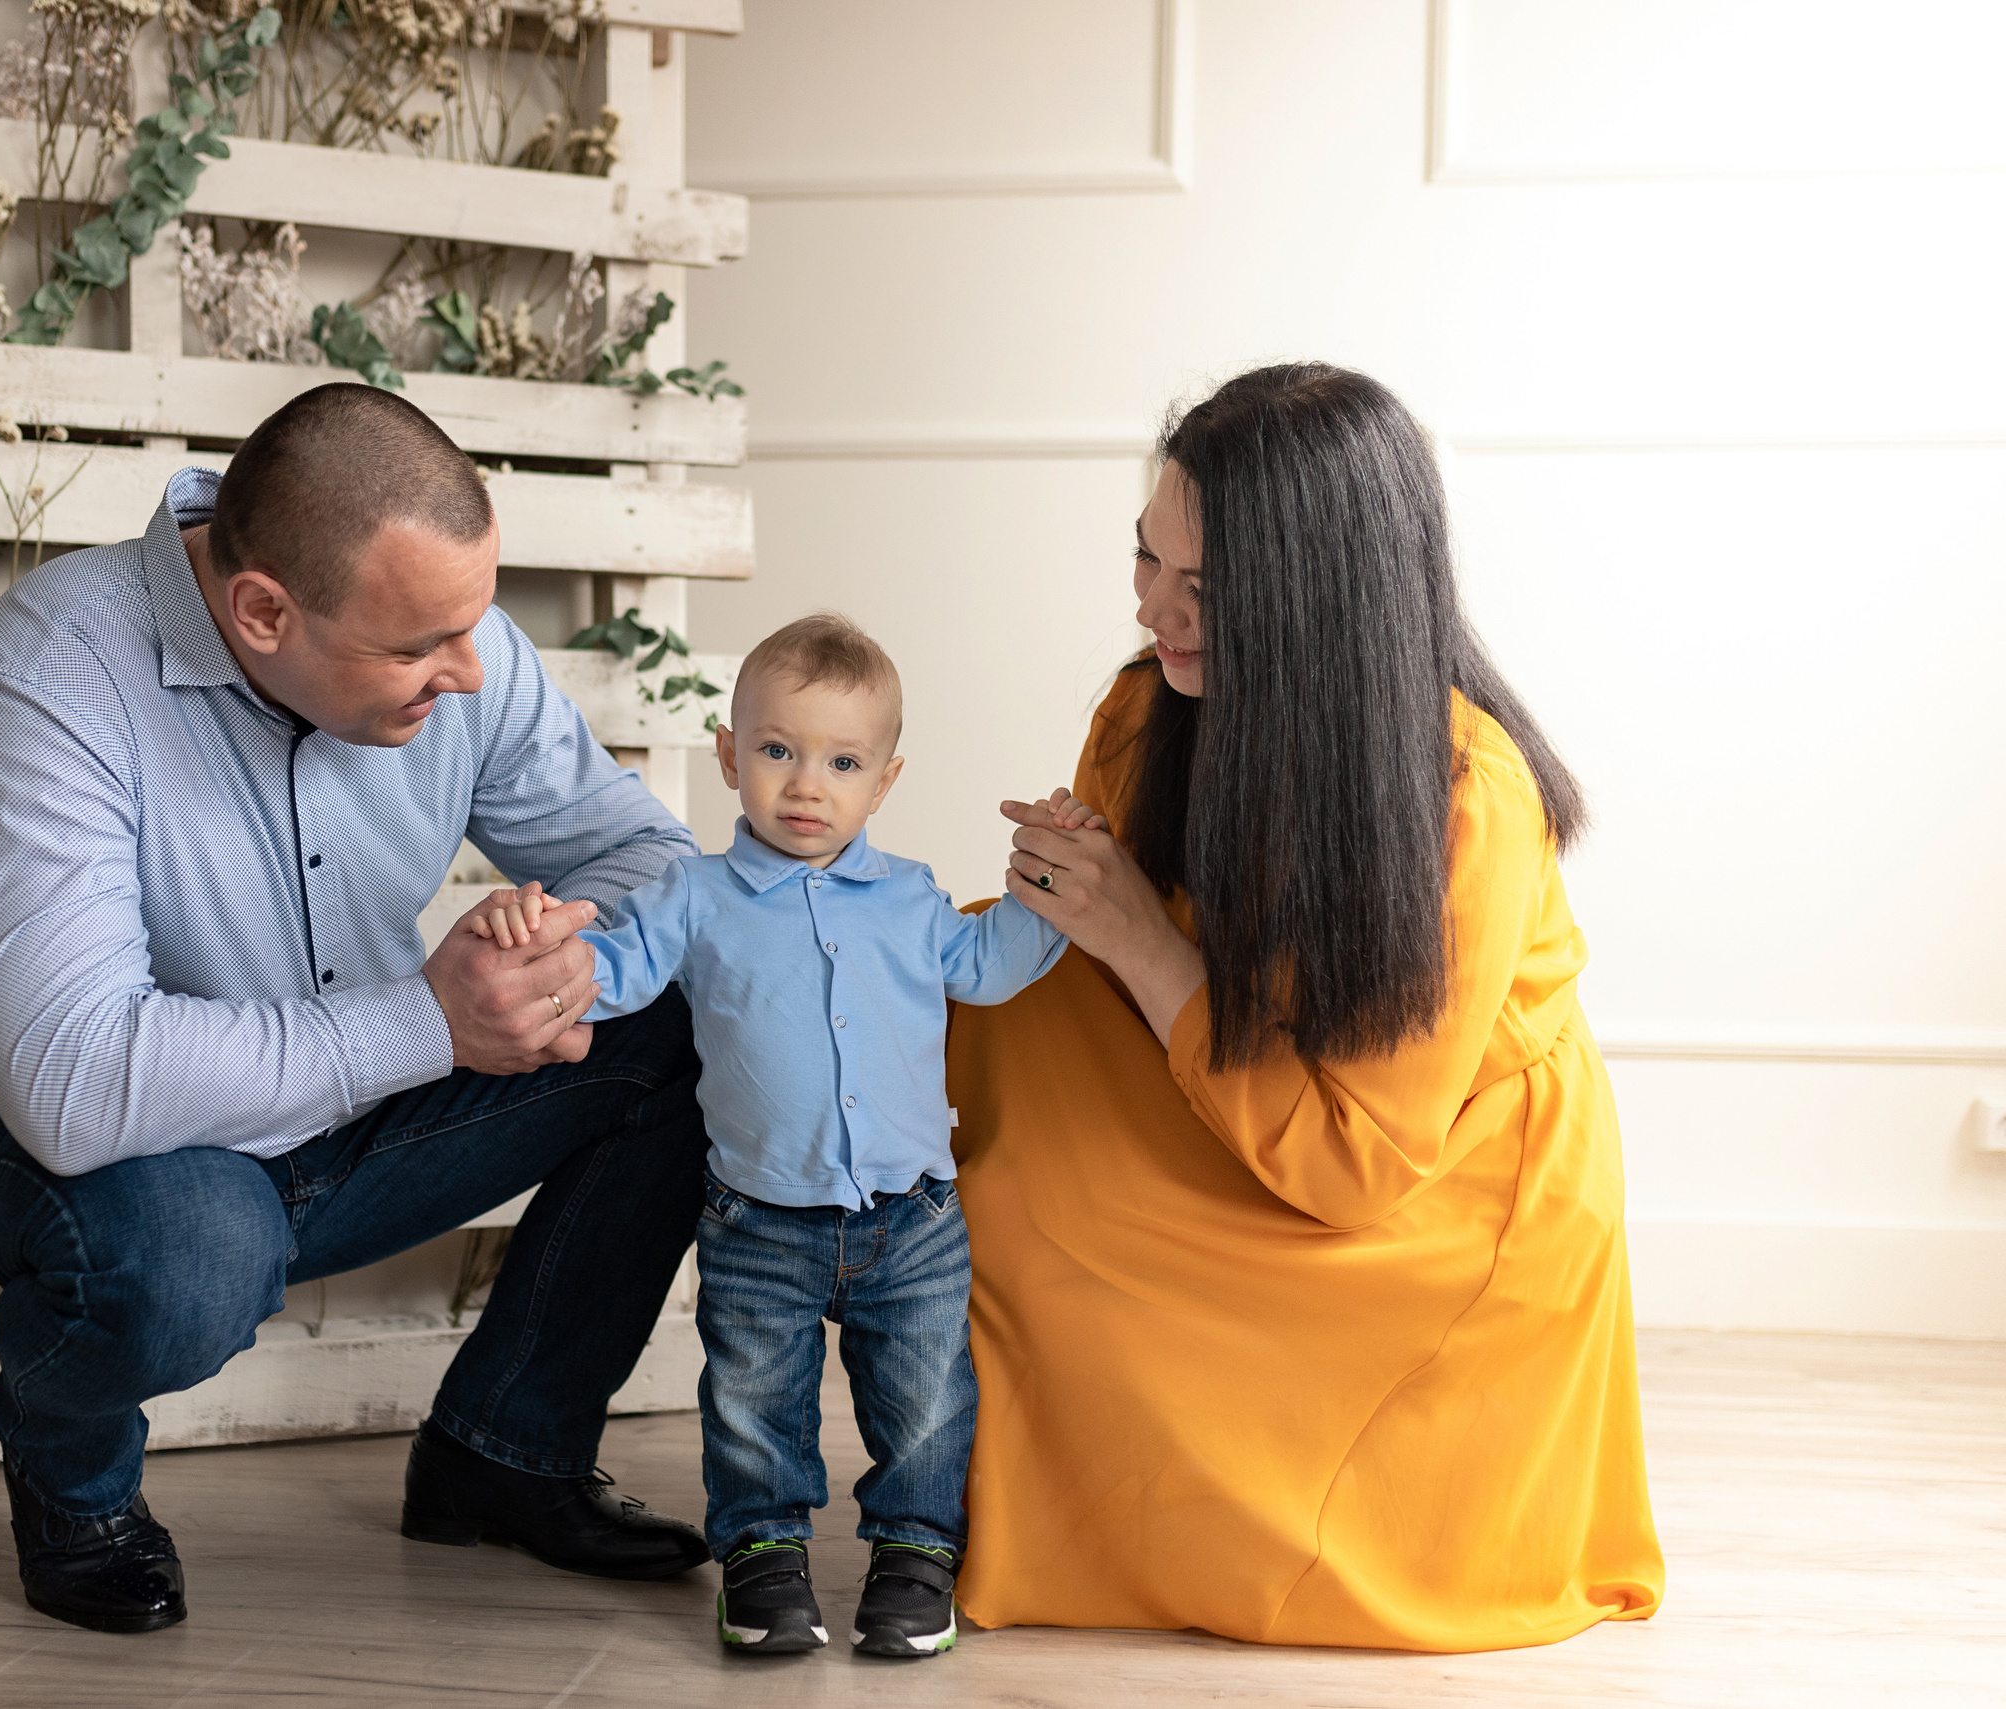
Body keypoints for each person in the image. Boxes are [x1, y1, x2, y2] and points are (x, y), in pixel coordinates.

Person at [0, 383, 716, 1636]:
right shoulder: (55, 666)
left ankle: (505, 1450)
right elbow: (72, 1081)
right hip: (114, 1157)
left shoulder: (459, 646)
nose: (470, 670)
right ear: (262, 612)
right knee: (188, 1254)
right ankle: (73, 1482)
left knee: (691, 1020)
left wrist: (557, 959)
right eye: (418, 648)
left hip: (368, 1118)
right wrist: (434, 1024)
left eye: (474, 624)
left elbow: (652, 864)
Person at [951, 364, 1666, 1651]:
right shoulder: (1149, 708)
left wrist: (1136, 933)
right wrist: (1063, 892)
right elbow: (1115, 955)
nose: (1152, 609)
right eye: (1145, 558)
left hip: (1422, 1198)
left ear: (1317, 595)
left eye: (1205, 587)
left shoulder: (1465, 796)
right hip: (1231, 1080)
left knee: (1047, 1202)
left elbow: (1356, 1161)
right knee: (950, 1046)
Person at [477, 614, 1065, 1658]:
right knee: (753, 1400)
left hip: (911, 1217)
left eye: (842, 762)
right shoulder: (694, 894)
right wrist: (540, 945)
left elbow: (985, 965)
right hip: (759, 1217)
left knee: (927, 1399)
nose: (806, 784)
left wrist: (1054, 883)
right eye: (778, 750)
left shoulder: (908, 895)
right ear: (729, 755)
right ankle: (762, 1555)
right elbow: (615, 972)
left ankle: (916, 1553)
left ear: (883, 781)